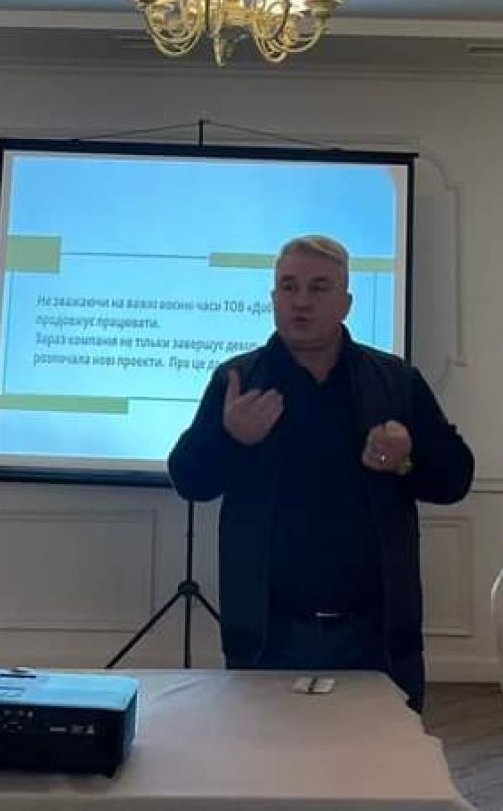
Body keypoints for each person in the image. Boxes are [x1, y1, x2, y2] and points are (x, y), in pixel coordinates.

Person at [167, 233, 474, 711]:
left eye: (318, 287)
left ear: (346, 303)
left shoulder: (394, 380)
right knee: (264, 752)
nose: (301, 301)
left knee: (382, 755)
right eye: (289, 287)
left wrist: (406, 459)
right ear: (273, 298)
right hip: (268, 631)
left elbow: (455, 479)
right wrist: (230, 438)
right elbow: (189, 479)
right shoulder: (238, 380)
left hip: (376, 632)